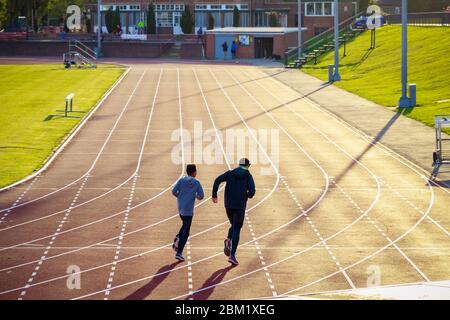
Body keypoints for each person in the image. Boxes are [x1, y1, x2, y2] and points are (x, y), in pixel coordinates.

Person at [212, 158, 255, 266]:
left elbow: (217, 180)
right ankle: (232, 255)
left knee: (234, 224)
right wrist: (248, 195)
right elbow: (252, 191)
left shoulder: (230, 173)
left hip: (229, 205)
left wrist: (214, 195)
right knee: (237, 228)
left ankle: (229, 239)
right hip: (240, 205)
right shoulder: (248, 176)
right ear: (247, 166)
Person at [172, 164, 204, 261]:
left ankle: (178, 237)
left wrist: (180, 197)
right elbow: (201, 196)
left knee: (185, 225)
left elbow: (173, 191)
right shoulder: (196, 183)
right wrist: (195, 196)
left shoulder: (181, 180)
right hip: (189, 210)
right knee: (186, 232)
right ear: (194, 172)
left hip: (181, 208)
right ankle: (179, 252)